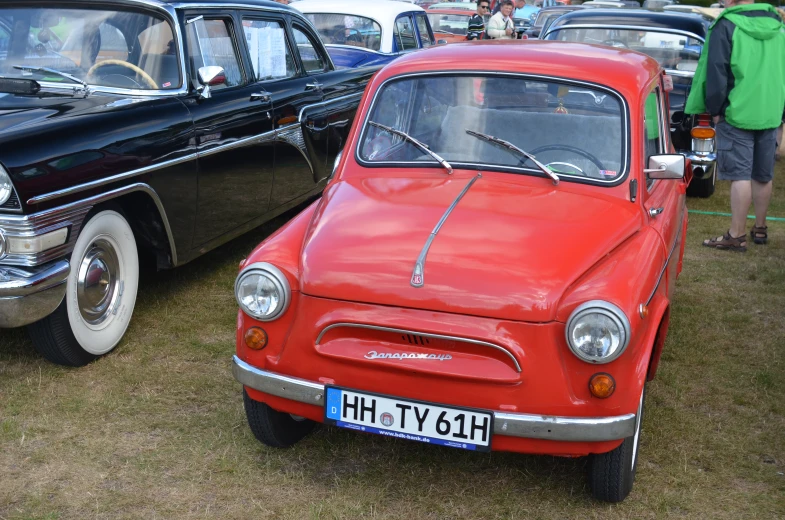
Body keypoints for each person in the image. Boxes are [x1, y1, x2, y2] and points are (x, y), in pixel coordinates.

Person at [685, 0, 785, 251]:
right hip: (770, 109)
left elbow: (716, 70)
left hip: (737, 110)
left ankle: (736, 234)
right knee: (763, 174)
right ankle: (760, 228)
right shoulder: (779, 25)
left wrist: (716, 110)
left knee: (740, 175)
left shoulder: (726, 24)